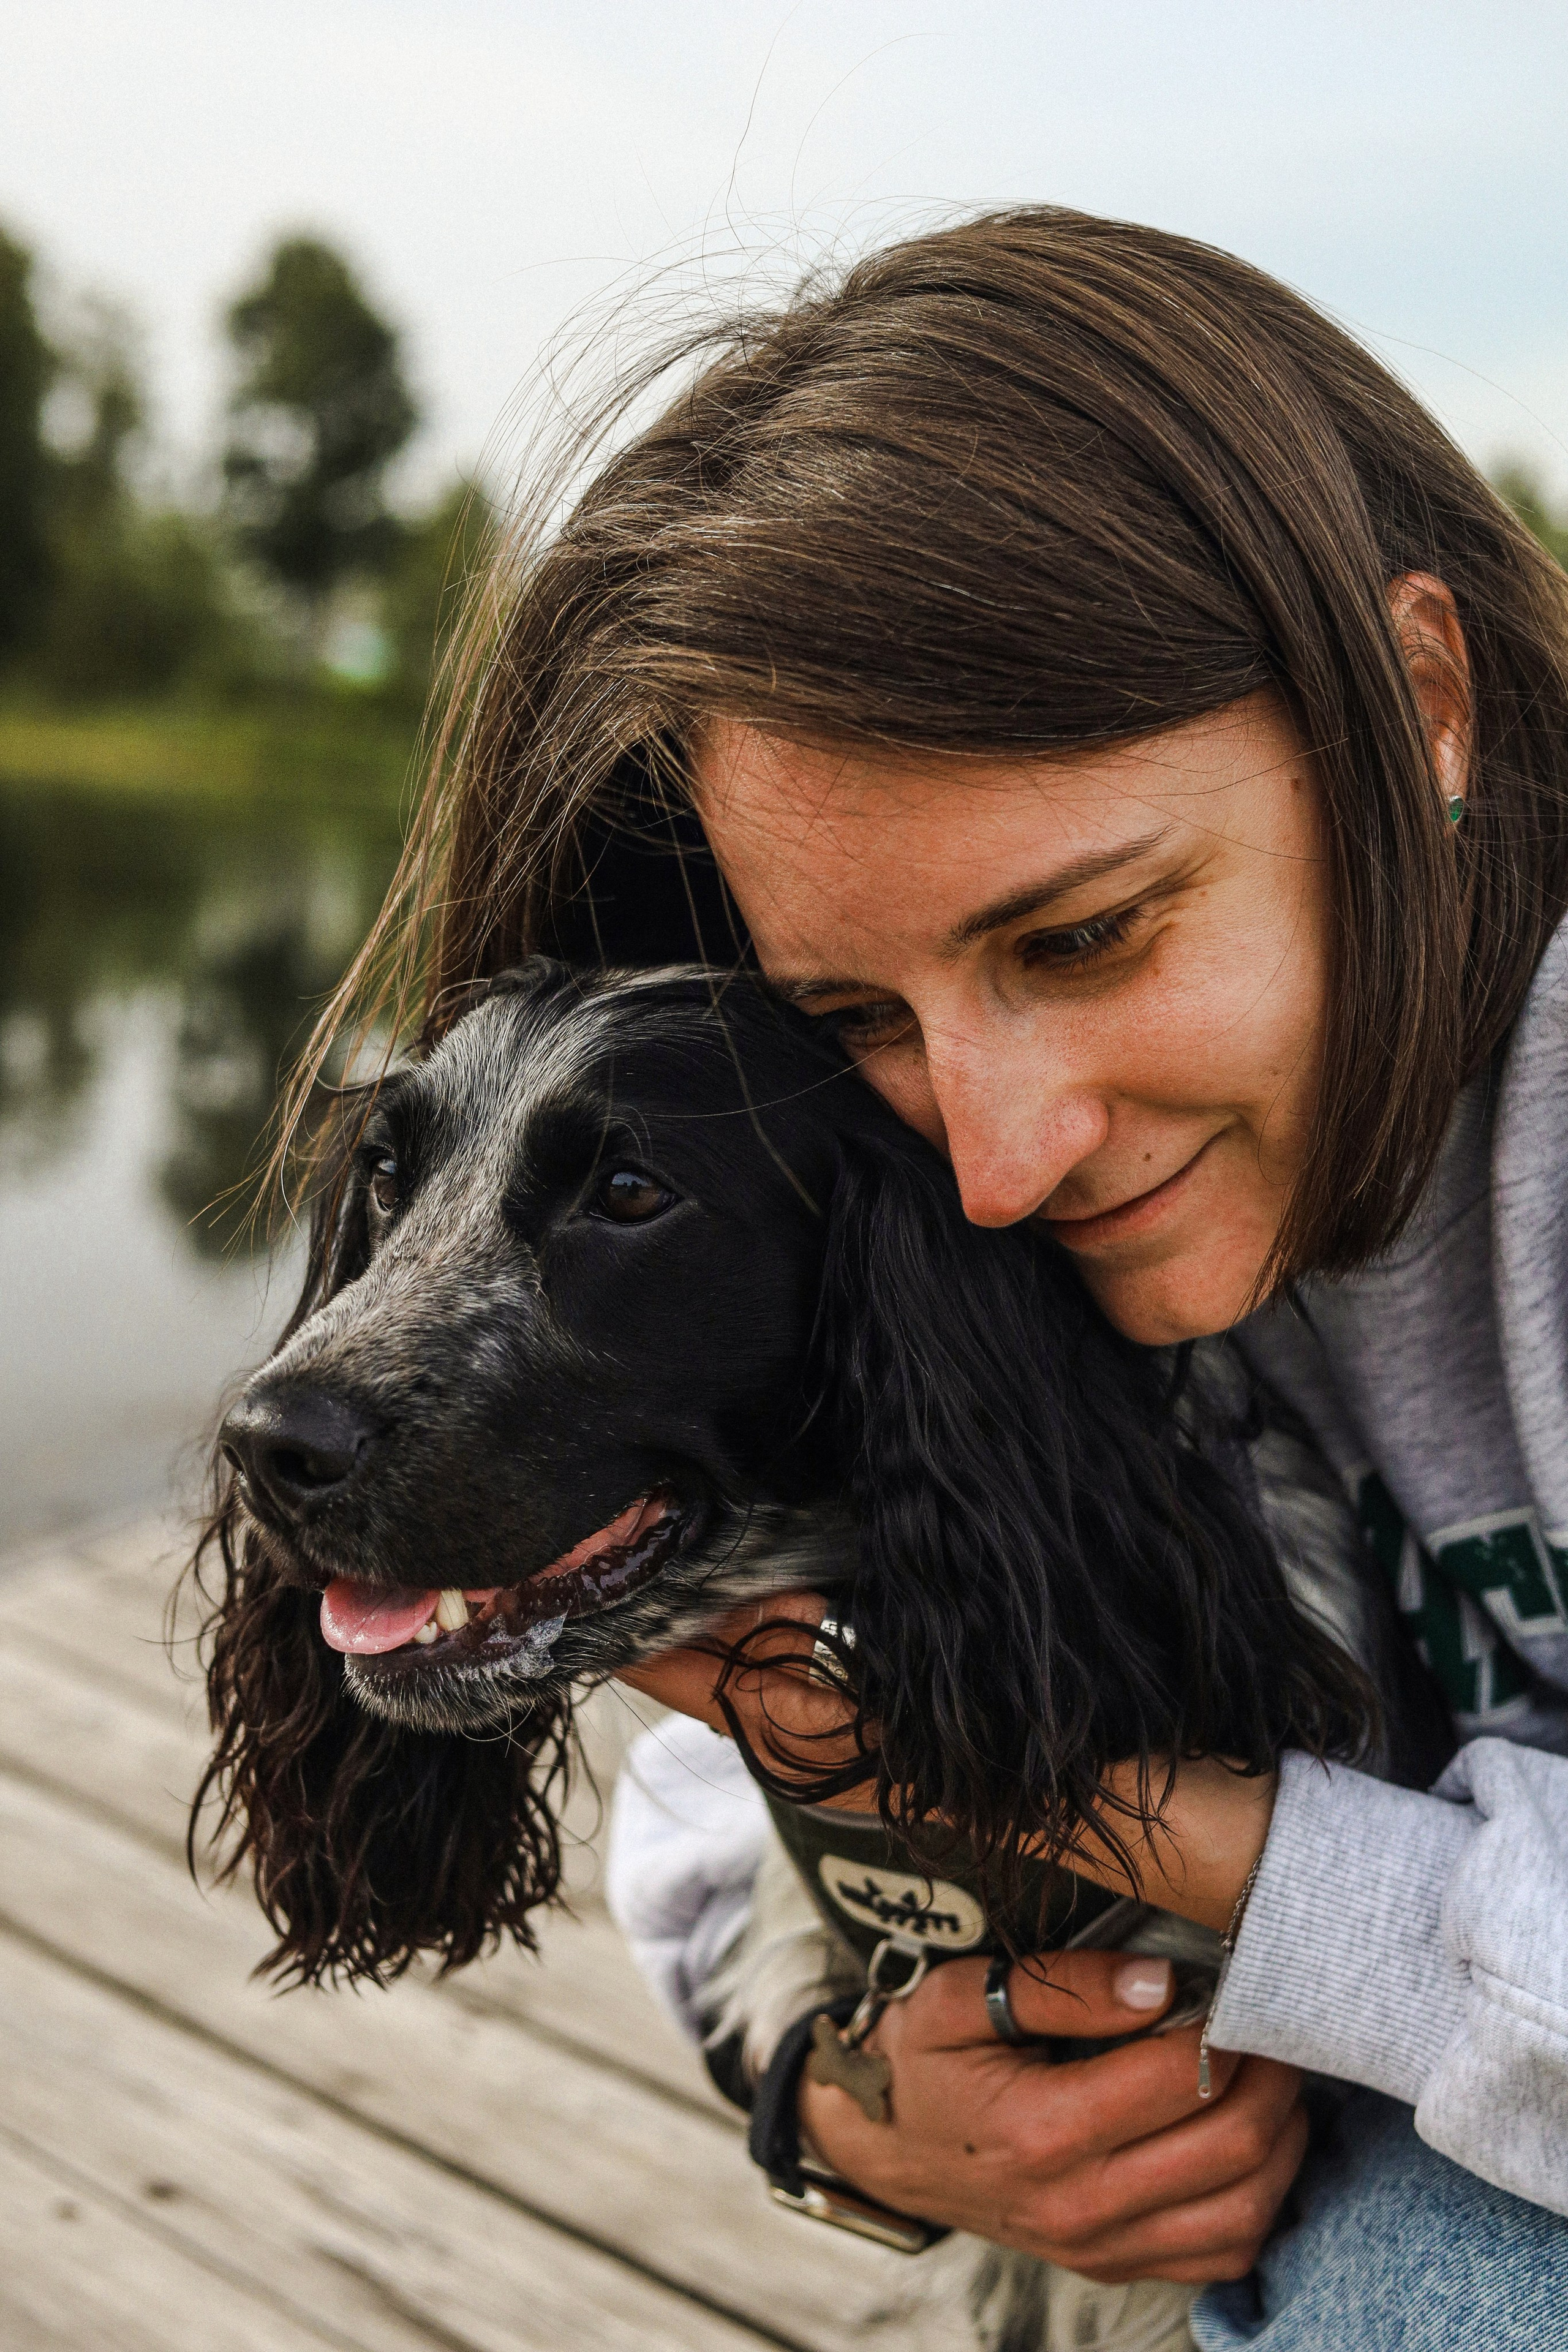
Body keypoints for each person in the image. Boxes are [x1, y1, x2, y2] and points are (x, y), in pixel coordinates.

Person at [313, 208, 1568, 2348]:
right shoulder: (973, 1183)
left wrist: (1183, 1846)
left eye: (1087, 936)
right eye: (857, 1009)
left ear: (1422, 700)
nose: (994, 1160)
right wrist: (838, 2096)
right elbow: (761, 1688)